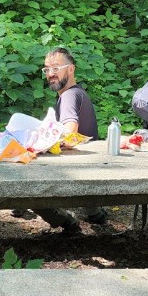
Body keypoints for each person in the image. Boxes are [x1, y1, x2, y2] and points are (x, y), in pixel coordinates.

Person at [22, 47, 108, 232]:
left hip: (79, 173)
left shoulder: (69, 96)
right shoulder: (76, 93)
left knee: (26, 186)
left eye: (56, 68)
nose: (50, 74)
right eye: (47, 69)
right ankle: (94, 211)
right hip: (90, 170)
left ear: (71, 69)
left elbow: (70, 133)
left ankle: (66, 222)